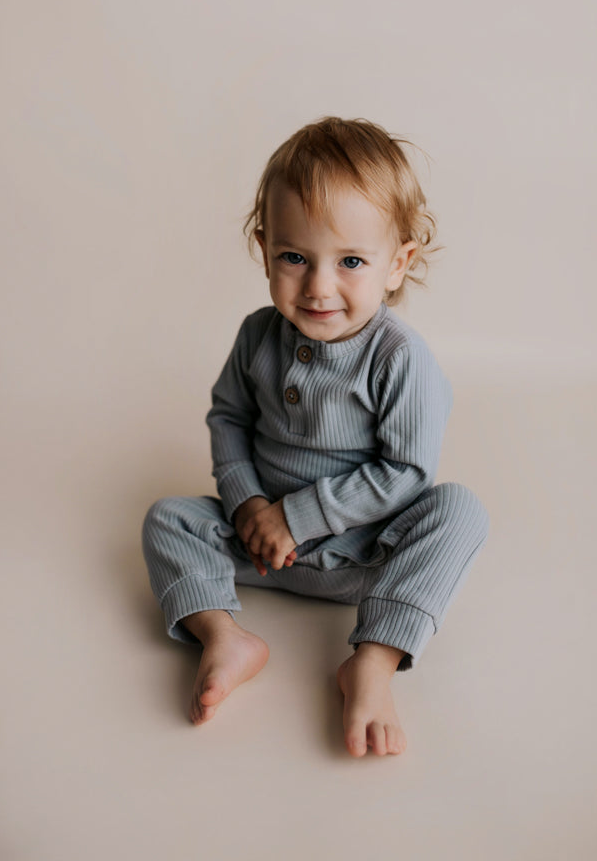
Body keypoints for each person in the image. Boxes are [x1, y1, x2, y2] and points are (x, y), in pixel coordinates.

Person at [142, 116, 488, 757]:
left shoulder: (399, 358)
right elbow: (229, 419)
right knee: (168, 518)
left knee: (460, 510)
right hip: (263, 550)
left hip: (367, 552)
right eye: (294, 257)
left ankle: (373, 662)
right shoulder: (257, 334)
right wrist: (248, 506)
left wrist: (298, 517)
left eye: (352, 261)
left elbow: (407, 472)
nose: (319, 286)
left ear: (397, 264)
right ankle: (224, 635)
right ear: (265, 245)